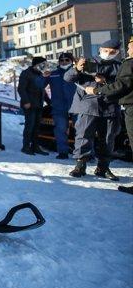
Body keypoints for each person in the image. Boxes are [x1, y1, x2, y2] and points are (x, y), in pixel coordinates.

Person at [64, 39, 123, 179]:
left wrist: (105, 82)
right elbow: (67, 78)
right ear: (100, 50)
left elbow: (122, 84)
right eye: (106, 51)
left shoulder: (119, 66)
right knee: (83, 134)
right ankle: (80, 164)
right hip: (88, 105)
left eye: (112, 52)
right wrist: (77, 69)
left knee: (108, 138)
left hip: (110, 106)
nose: (108, 54)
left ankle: (103, 167)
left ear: (117, 53)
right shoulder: (87, 62)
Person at [85, 36, 133, 193]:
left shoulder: (128, 63)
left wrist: (98, 89)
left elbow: (122, 85)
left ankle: (103, 166)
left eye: (131, 45)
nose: (129, 48)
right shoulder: (91, 62)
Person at [47, 52, 77, 159]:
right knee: (60, 129)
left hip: (76, 105)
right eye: (62, 60)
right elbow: (39, 84)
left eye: (67, 60)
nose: (64, 62)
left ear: (71, 61)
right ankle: (62, 152)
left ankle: (85, 153)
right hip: (59, 106)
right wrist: (42, 76)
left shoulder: (77, 72)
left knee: (82, 130)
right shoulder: (53, 74)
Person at [18, 56, 50, 155]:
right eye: (42, 64)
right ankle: (26, 146)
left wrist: (49, 101)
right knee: (30, 125)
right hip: (29, 105)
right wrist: (26, 101)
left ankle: (35, 146)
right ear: (36, 65)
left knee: (37, 127)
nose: (44, 66)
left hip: (38, 104)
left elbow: (42, 89)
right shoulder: (26, 73)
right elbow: (21, 89)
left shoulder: (40, 74)